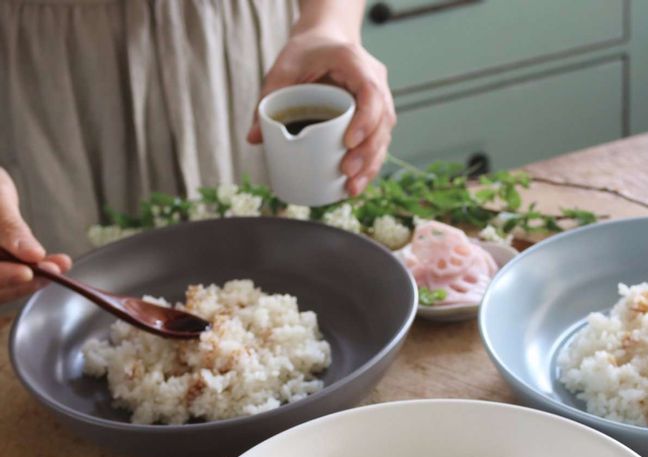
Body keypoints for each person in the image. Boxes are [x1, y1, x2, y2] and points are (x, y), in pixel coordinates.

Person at [0, 0, 395, 304]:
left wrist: (328, 27)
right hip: (46, 79)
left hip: (245, 52)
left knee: (286, 280)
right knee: (54, 298)